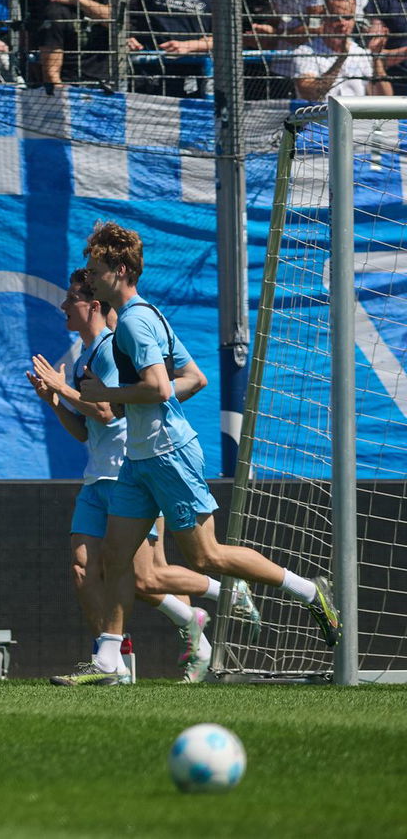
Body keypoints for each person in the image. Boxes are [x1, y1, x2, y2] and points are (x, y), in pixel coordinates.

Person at [56, 220, 342, 685]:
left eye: (96, 270)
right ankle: (108, 662)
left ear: (121, 270)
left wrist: (107, 393)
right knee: (114, 555)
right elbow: (193, 380)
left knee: (206, 557)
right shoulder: (142, 317)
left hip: (169, 455)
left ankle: (310, 592)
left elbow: (158, 385)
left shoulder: (134, 320)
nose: (89, 279)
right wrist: (125, 398)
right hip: (140, 459)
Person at [29, 267, 255, 685]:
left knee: (143, 576)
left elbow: (106, 409)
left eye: (70, 300)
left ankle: (221, 596)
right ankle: (110, 661)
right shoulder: (84, 355)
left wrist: (62, 388)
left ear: (92, 304)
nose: (63, 307)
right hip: (96, 476)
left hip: (128, 472)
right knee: (84, 570)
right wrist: (55, 402)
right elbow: (86, 429)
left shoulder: (114, 346)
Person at [289, 0, 391, 100]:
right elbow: (310, 94)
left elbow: (386, 98)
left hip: (356, 116)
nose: (342, 23)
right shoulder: (304, 53)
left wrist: (376, 58)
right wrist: (341, 59)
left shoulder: (362, 54)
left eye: (348, 17)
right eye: (335, 18)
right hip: (322, 115)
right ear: (324, 18)